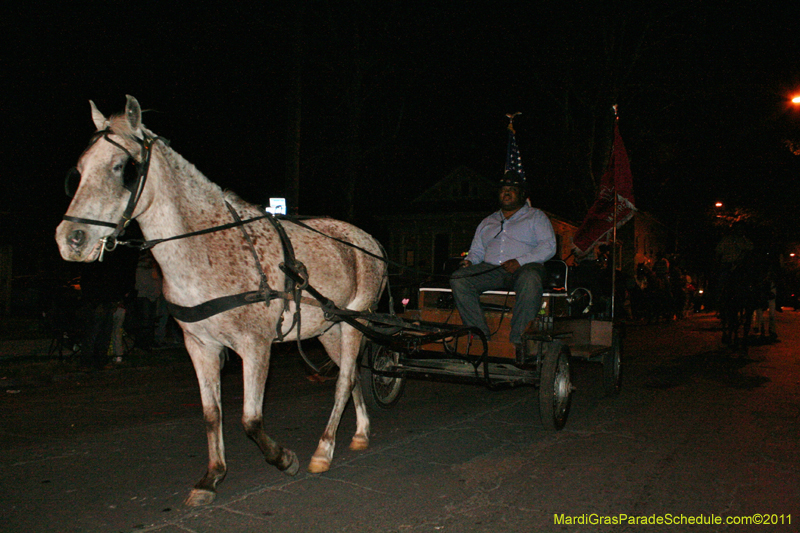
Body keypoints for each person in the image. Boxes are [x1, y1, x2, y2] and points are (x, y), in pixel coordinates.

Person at [450, 170, 557, 354]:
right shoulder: (487, 221)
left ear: (522, 194)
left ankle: (519, 342)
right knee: (459, 279)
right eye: (502, 189)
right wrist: (469, 261)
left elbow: (548, 247)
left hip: (525, 269)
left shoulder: (536, 217)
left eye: (512, 189)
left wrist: (520, 261)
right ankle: (481, 337)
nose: (506, 193)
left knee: (531, 278)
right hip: (492, 269)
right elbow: (477, 251)